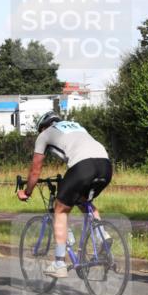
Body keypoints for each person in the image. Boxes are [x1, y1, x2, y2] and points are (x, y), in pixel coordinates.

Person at [18, 111, 112, 278]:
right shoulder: (77, 126)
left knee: (60, 209)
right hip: (105, 165)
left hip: (83, 166)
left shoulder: (44, 134)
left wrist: (27, 191)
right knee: (84, 200)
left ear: (43, 127)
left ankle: (60, 263)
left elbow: (35, 171)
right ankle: (102, 236)